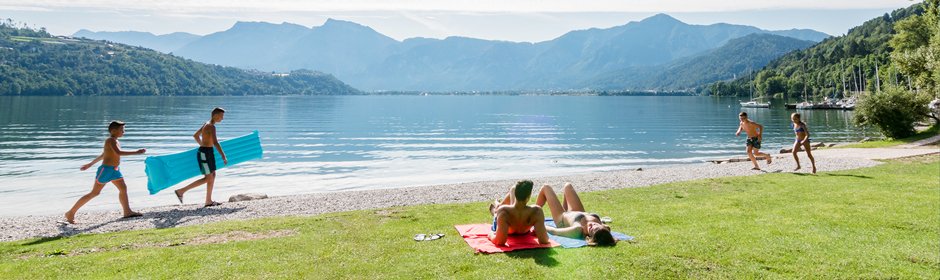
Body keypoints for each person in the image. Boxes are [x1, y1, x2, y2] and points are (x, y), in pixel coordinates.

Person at [65, 121, 145, 224]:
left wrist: (90, 164)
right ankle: (70, 213)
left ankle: (127, 211)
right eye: (122, 130)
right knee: (95, 193)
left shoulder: (115, 140)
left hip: (115, 170)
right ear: (114, 130)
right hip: (106, 170)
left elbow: (104, 154)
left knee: (123, 188)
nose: (123, 132)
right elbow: (118, 152)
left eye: (123, 130)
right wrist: (136, 152)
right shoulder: (110, 140)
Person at [174, 107, 228, 207]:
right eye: (221, 116)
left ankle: (208, 201)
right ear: (215, 115)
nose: (222, 119)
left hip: (207, 152)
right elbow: (215, 142)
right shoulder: (211, 127)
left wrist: (202, 145)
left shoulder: (206, 124)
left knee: (212, 175)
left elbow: (195, 135)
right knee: (208, 178)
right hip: (205, 154)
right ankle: (181, 191)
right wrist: (223, 155)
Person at [535, 183, 616, 246]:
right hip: (577, 212)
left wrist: (537, 225)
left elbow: (554, 231)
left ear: (589, 236)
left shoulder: (577, 230)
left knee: (546, 187)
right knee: (568, 186)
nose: (593, 225)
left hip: (561, 217)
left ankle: (533, 213)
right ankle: (565, 208)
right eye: (597, 225)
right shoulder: (604, 230)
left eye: (592, 229)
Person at [488, 180, 550, 246]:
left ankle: (496, 206)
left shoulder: (504, 211)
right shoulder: (536, 211)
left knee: (498, 211)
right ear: (528, 197)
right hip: (522, 230)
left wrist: (490, 235)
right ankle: (496, 207)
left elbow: (499, 242)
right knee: (497, 213)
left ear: (515, 194)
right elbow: (544, 240)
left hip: (506, 221)